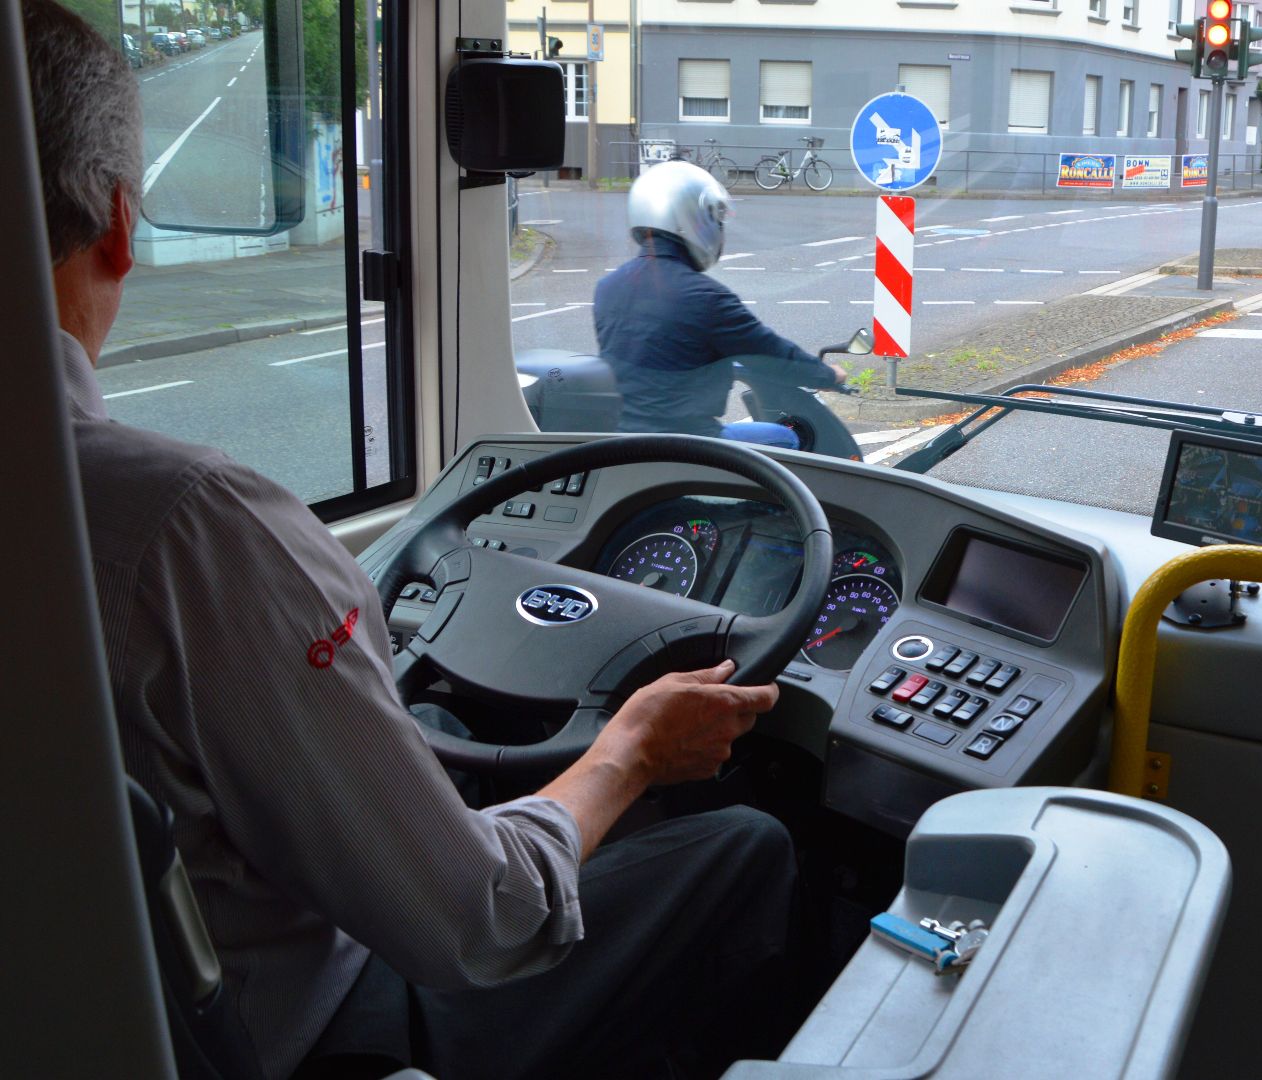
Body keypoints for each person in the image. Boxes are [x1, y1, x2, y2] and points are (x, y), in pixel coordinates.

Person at [28, 4, 794, 1077]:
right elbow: (479, 920)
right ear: (119, 223)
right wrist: (631, 751)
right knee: (743, 847)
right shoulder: (185, 529)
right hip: (300, 1036)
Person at [595, 161, 843, 446]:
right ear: (687, 219)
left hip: (624, 441)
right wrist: (827, 375)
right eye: (714, 221)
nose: (718, 231)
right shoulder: (706, 298)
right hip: (692, 443)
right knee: (786, 439)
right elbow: (771, 353)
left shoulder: (607, 289)